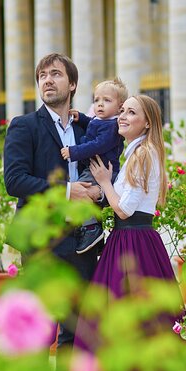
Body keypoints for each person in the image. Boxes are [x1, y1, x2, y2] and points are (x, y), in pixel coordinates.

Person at [53, 95, 186, 371]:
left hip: (133, 244)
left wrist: (105, 182)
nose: (121, 116)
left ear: (147, 122)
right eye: (122, 111)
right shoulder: (137, 152)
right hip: (132, 242)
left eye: (130, 112)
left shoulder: (142, 155)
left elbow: (123, 210)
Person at [3, 53, 102, 371]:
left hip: (85, 241)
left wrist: (99, 193)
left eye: (56, 74)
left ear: (72, 84)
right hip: (43, 241)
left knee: (75, 328)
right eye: (42, 75)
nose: (48, 80)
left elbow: (107, 168)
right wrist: (66, 191)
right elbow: (15, 179)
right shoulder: (24, 126)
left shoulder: (89, 129)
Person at [60, 78, 127, 254]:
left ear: (120, 106)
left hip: (100, 169)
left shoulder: (113, 127)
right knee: (85, 199)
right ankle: (96, 241)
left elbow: (97, 145)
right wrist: (81, 118)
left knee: (81, 194)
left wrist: (73, 152)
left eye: (106, 100)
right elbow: (92, 124)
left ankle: (91, 229)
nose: (100, 104)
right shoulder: (103, 121)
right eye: (96, 100)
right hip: (94, 168)